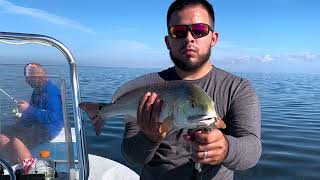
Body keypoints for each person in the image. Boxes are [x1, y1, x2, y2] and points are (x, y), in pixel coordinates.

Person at [120, 0, 262, 179]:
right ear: (168, 42)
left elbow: (252, 150)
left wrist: (226, 148)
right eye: (178, 32)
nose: (189, 38)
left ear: (213, 38)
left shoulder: (237, 88)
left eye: (200, 30)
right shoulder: (146, 90)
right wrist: (149, 137)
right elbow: (131, 156)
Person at [0, 63, 64, 174]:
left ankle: (32, 173)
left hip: (49, 127)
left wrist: (29, 109)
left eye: (29, 79)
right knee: (2, 136)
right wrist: (23, 116)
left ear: (37, 77)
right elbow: (35, 110)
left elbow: (53, 117)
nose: (26, 81)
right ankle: (16, 168)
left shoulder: (51, 92)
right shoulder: (37, 89)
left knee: (17, 140)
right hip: (35, 123)